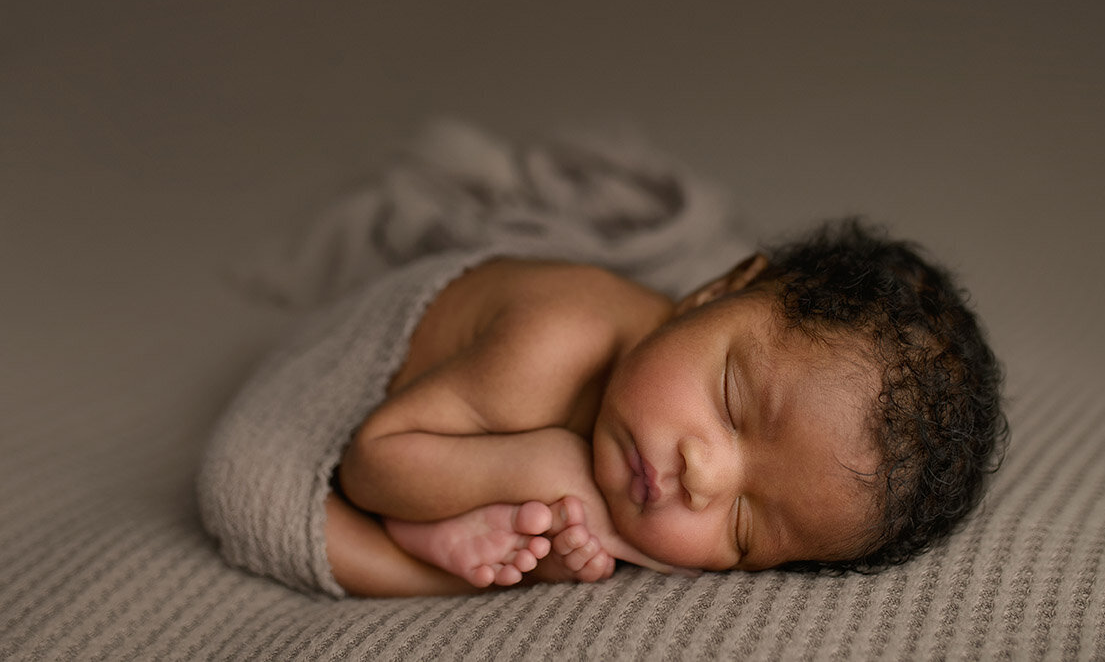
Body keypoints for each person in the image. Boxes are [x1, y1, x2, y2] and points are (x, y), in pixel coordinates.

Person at [324, 220, 1006, 597]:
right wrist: (540, 463)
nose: (704, 480)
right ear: (715, 293)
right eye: (732, 404)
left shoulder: (646, 440)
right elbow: (370, 462)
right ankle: (428, 568)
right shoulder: (553, 346)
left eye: (744, 531)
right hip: (379, 372)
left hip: (453, 433)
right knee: (302, 524)